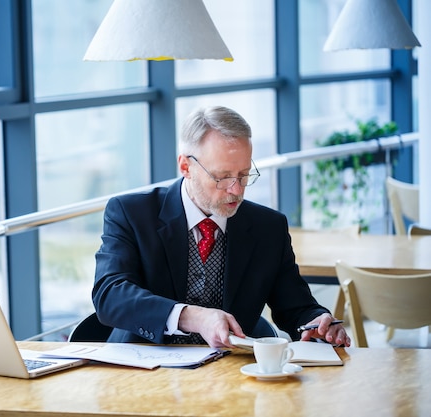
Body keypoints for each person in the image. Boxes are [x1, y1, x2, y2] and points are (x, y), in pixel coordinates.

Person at [92, 105, 351, 349]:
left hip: (229, 374)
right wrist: (190, 316)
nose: (236, 189)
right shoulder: (131, 214)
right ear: (186, 166)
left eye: (244, 175)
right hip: (142, 373)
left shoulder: (268, 227)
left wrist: (318, 321)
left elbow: (295, 307)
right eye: (223, 176)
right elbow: (110, 295)